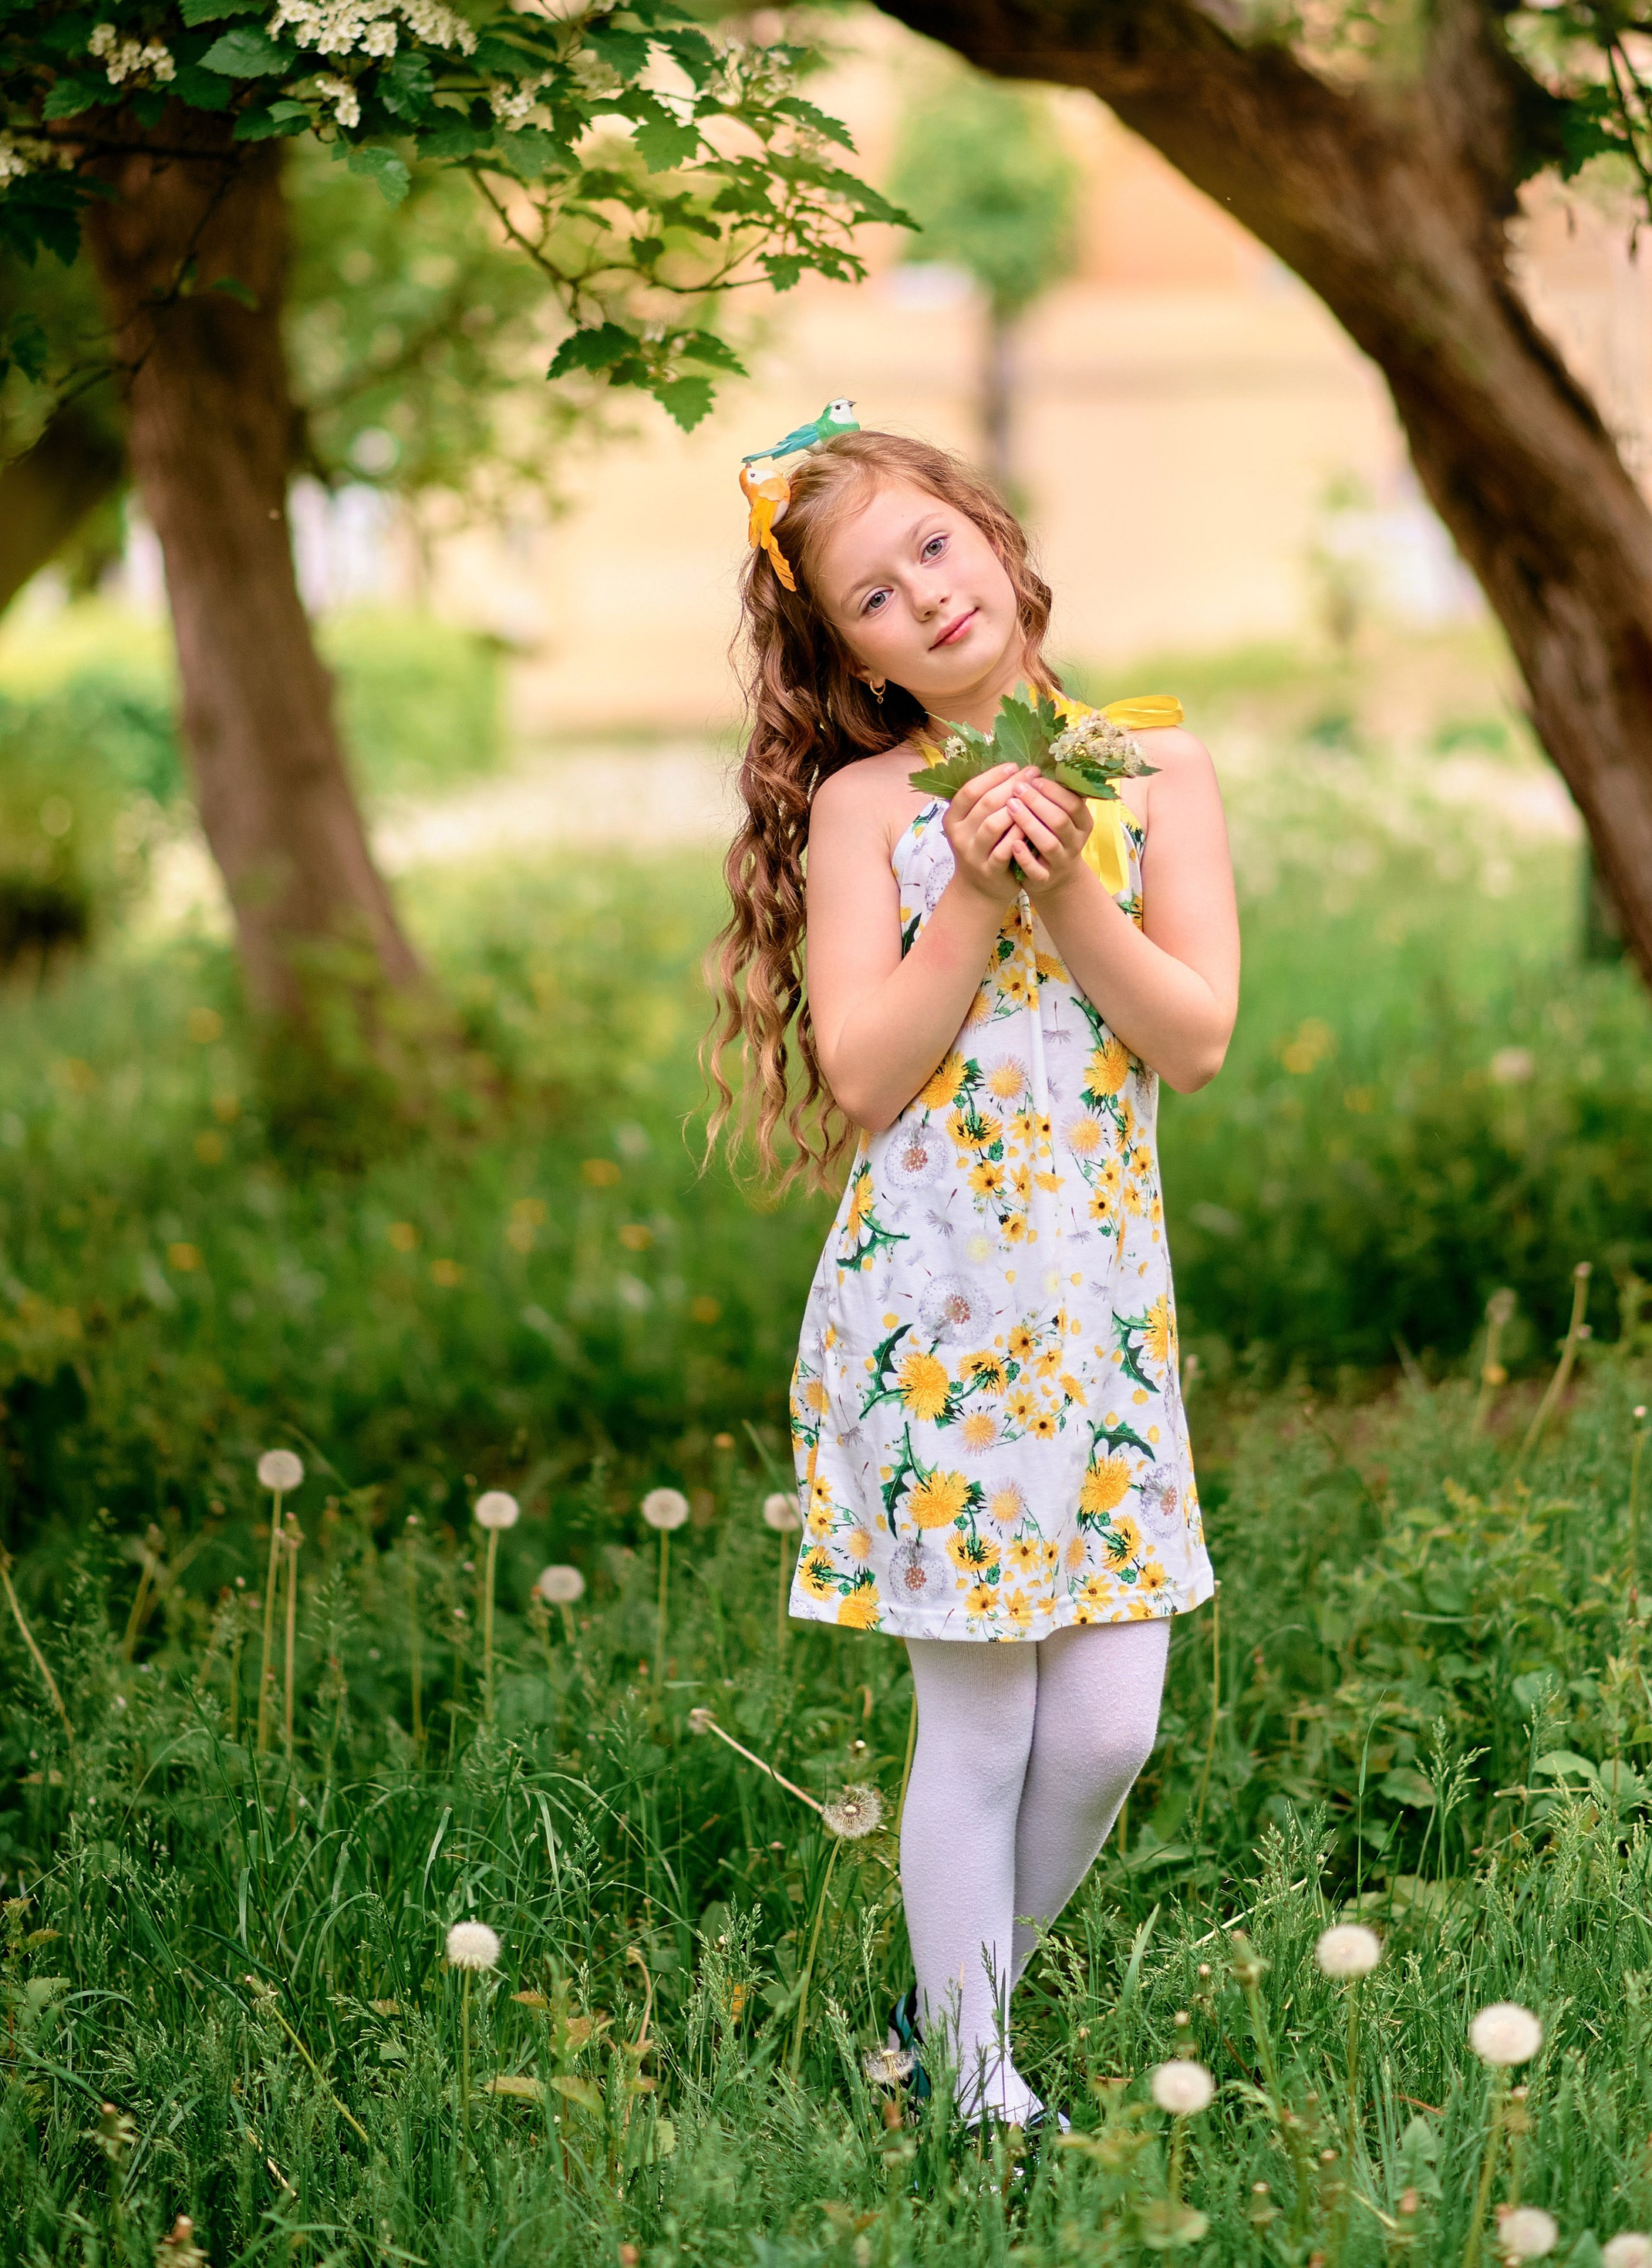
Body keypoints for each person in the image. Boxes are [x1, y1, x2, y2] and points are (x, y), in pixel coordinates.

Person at [708, 422, 1240, 2128]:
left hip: (1094, 1319)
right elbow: (862, 1073)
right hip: (928, 1327)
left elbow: (1195, 1034)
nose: (920, 597)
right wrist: (965, 896)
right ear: (845, 650)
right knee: (985, 1721)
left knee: (1104, 1728)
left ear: (993, 538)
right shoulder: (870, 808)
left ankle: (943, 2005)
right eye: (872, 592)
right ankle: (971, 2080)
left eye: (931, 547)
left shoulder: (1154, 769)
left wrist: (1065, 884)